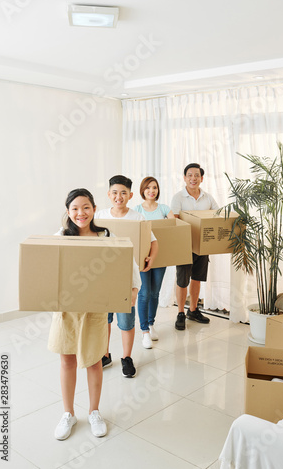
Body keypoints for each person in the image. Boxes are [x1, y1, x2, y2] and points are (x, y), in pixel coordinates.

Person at [48, 188, 141, 440]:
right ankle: (68, 414)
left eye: (86, 207)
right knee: (67, 359)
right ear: (68, 212)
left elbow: (127, 262)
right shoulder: (60, 237)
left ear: (93, 208)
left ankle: (94, 412)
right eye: (75, 208)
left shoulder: (105, 235)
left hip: (96, 308)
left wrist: (133, 288)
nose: (81, 213)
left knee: (93, 360)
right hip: (67, 310)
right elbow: (48, 269)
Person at [95, 175, 158, 376]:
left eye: (123, 193)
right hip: (103, 278)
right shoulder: (100, 217)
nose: (118, 197)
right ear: (108, 194)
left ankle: (127, 357)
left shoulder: (137, 217)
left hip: (127, 277)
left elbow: (153, 241)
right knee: (105, 319)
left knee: (126, 320)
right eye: (114, 192)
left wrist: (151, 258)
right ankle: (104, 354)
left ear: (130, 195)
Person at [171, 163, 219, 330]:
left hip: (202, 245)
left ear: (201, 178)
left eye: (196, 175)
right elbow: (175, 220)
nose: (193, 178)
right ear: (184, 178)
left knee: (197, 278)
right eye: (190, 175)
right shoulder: (178, 197)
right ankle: (180, 313)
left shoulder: (208, 197)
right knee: (182, 280)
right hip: (185, 245)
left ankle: (193, 310)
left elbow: (217, 216)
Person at [134, 176, 175, 349]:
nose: (152, 191)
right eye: (148, 188)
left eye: (155, 188)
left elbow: (173, 226)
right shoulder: (136, 210)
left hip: (160, 256)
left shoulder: (164, 209)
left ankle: (151, 324)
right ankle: (144, 331)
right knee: (144, 293)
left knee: (155, 293)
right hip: (143, 257)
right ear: (142, 190)